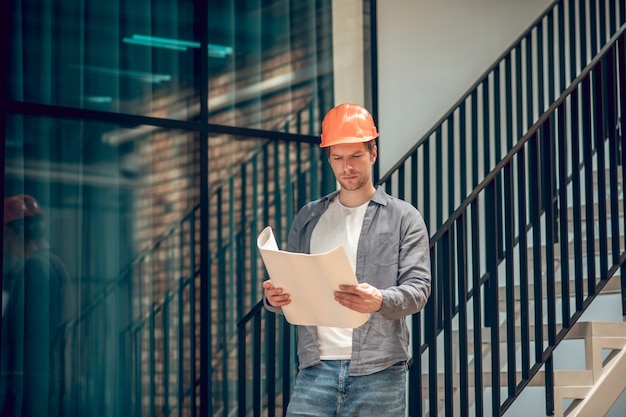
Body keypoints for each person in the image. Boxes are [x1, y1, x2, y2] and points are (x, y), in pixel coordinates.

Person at [263, 103, 432, 416]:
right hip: (314, 370)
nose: (347, 167)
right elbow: (292, 285)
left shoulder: (403, 218)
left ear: (373, 154)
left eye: (356, 156)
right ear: (329, 158)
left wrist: (379, 299)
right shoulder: (308, 217)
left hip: (379, 372)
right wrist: (275, 298)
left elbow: (419, 289)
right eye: (338, 158)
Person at [1, 194, 74, 417]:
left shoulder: (36, 268)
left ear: (18, 233)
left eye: (7, 236)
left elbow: (26, 333)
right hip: (46, 379)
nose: (7, 244)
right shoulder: (55, 265)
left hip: (32, 385)